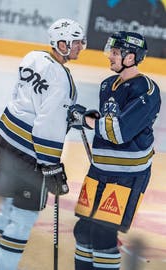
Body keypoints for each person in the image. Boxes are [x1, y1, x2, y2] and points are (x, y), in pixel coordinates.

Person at [0, 18, 87, 270]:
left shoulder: (33, 57)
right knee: (23, 218)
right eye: (75, 42)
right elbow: (46, 125)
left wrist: (67, 112)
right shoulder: (63, 80)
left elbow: (31, 100)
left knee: (8, 207)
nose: (80, 47)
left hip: (6, 142)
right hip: (30, 153)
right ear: (61, 43)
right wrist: (50, 165)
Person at [68, 31, 161, 270]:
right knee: (83, 231)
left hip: (126, 176)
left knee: (103, 236)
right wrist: (90, 117)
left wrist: (86, 121)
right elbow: (107, 122)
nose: (110, 56)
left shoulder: (147, 90)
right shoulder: (107, 85)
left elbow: (119, 132)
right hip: (99, 170)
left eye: (116, 52)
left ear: (131, 57)